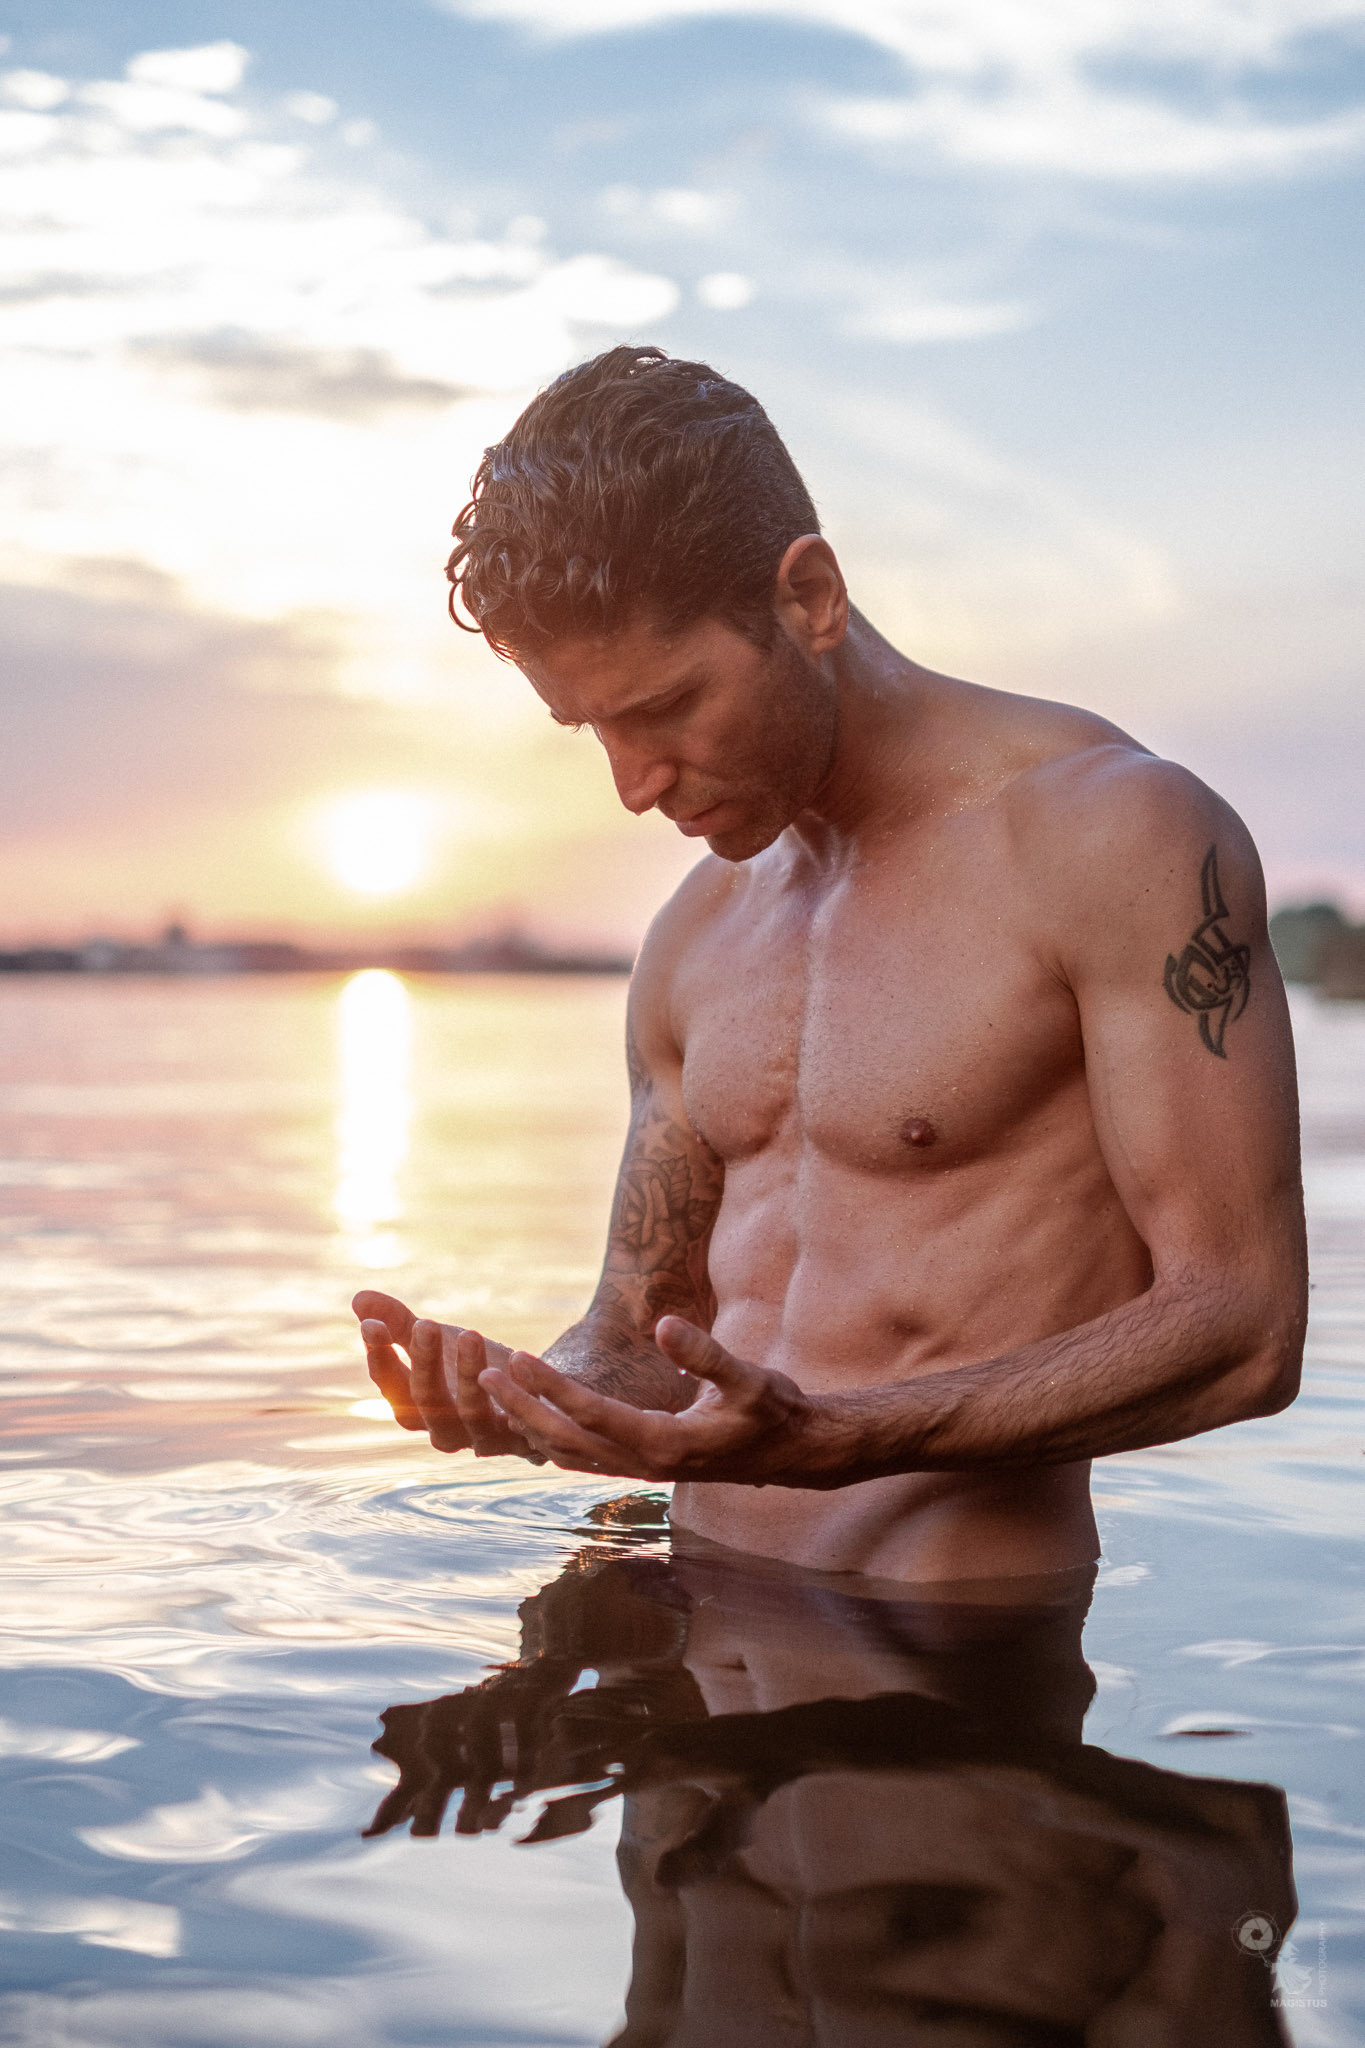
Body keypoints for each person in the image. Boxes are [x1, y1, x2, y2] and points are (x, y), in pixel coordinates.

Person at [356, 344, 1306, 1584]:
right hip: (688, 1632)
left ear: (809, 598)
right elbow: (641, 1338)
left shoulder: (1116, 840)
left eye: (668, 706)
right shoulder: (694, 935)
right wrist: (535, 1396)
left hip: (951, 1675)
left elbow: (1244, 1325)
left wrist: (839, 1440)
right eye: (592, 728)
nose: (634, 785)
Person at [363, 1518, 1297, 2046]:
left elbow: (1233, 1845)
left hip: (941, 1595)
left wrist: (810, 1745)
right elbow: (1237, 1868)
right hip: (831, 1603)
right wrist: (556, 1673)